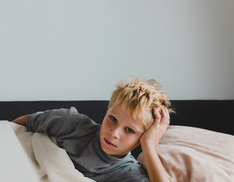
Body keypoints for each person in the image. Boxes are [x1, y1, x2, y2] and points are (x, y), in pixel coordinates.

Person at [13, 77, 174, 182]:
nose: (114, 133)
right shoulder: (70, 123)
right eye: (112, 119)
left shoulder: (128, 172)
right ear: (106, 111)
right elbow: (18, 126)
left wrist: (148, 145)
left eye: (129, 130)